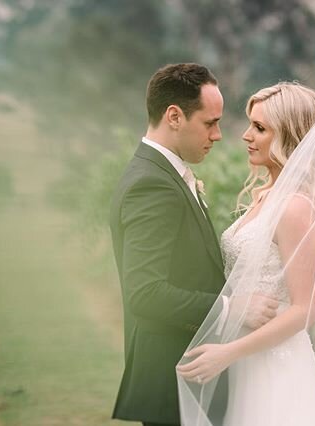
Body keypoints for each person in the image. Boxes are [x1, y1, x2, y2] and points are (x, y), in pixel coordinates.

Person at [176, 82, 315, 425]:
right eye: (250, 124)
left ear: (289, 137)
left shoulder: (296, 207)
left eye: (260, 128)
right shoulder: (264, 196)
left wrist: (226, 353)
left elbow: (304, 311)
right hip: (246, 364)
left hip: (275, 367)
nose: (245, 136)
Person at [109, 63, 278, 426]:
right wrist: (233, 308)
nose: (218, 135)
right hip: (175, 380)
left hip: (193, 374)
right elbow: (145, 292)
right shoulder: (151, 185)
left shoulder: (162, 174)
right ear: (174, 116)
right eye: (209, 122)